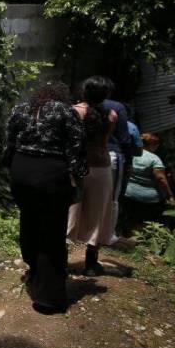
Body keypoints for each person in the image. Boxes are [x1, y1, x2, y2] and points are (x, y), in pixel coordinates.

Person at [4, 80, 87, 314]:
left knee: (29, 221)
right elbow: (76, 149)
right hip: (51, 173)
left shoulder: (20, 109)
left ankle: (34, 271)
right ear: (61, 96)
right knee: (52, 233)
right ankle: (48, 298)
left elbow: (8, 144)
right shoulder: (66, 112)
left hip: (21, 170)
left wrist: (15, 169)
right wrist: (79, 181)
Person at [67, 77, 117, 276]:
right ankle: (90, 264)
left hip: (76, 167)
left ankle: (60, 261)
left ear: (84, 91)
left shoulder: (74, 112)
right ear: (106, 96)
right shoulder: (112, 115)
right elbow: (104, 141)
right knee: (98, 216)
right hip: (102, 167)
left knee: (69, 213)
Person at [93, 77, 131, 243]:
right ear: (108, 91)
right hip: (111, 156)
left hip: (84, 155)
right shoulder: (116, 107)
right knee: (112, 198)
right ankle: (107, 235)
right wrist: (129, 162)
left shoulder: (81, 106)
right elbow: (124, 138)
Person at [123, 133, 175, 227]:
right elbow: (160, 179)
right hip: (149, 200)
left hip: (128, 194)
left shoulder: (132, 154)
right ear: (154, 145)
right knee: (146, 223)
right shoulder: (154, 159)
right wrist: (170, 196)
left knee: (130, 221)